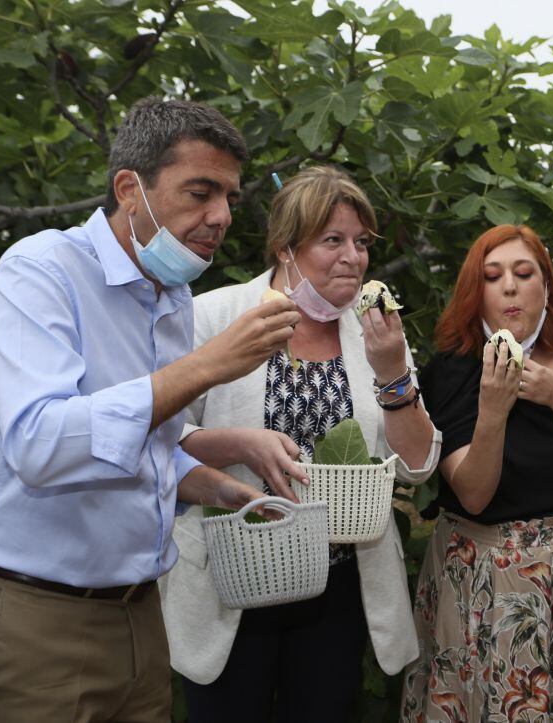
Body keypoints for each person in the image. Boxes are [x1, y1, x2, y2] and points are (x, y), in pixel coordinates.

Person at [0, 97, 294, 722]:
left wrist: (224, 490)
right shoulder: (39, 273)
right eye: (200, 192)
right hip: (32, 619)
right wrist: (209, 364)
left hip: (140, 617)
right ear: (129, 188)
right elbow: (42, 444)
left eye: (229, 198)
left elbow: (143, 446)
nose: (220, 216)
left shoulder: (173, 296)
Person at [158, 165, 441, 722]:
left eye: (361, 243)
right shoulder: (213, 316)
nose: (353, 258)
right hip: (231, 579)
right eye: (332, 240)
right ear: (286, 247)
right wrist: (240, 443)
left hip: (336, 588)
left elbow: (416, 467)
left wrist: (392, 375)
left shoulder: (375, 333)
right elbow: (156, 433)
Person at [400, 224, 553, 720]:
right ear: (476, 292)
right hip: (480, 579)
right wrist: (493, 409)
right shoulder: (450, 370)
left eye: (523, 272)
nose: (509, 286)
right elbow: (473, 494)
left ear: (546, 288)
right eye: (493, 276)